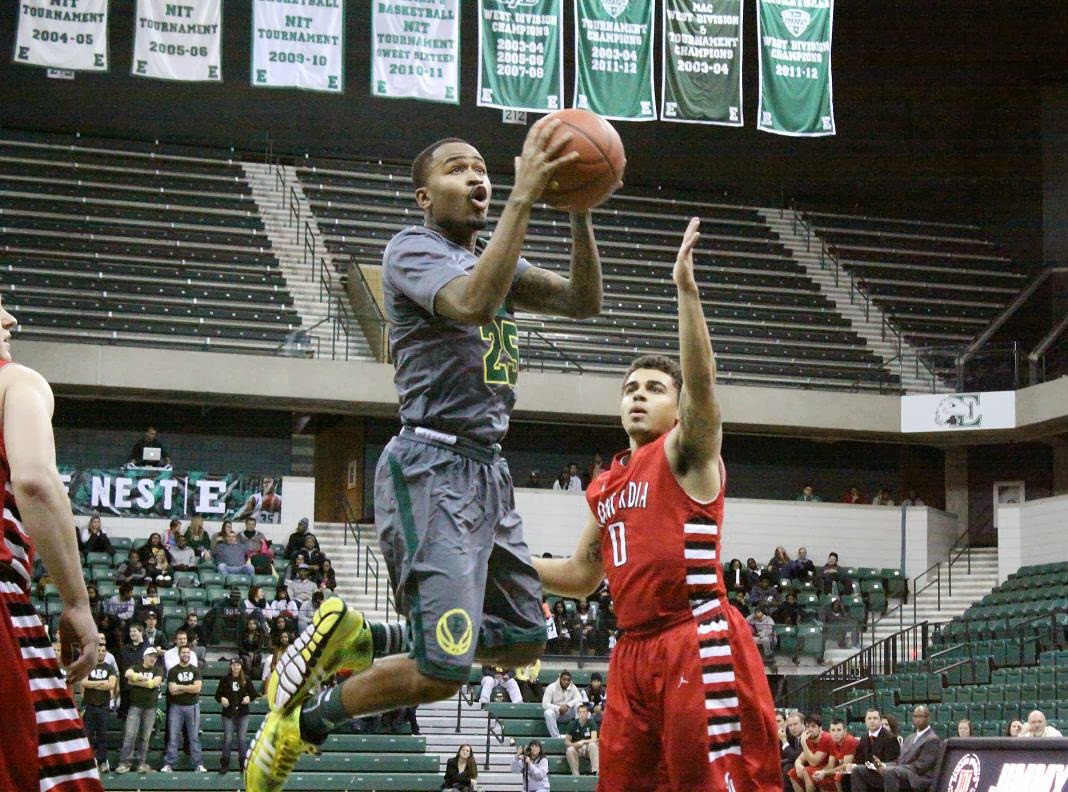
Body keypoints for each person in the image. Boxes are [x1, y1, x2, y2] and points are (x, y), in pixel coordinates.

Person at [245, 124, 607, 791]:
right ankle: (301, 725)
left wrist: (580, 211)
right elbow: (472, 304)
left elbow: (585, 301)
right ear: (422, 195)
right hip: (431, 467)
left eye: (482, 169)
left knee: (524, 638)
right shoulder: (413, 249)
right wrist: (525, 198)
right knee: (443, 671)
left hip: (486, 472)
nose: (478, 178)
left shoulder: (496, 255)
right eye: (457, 169)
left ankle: (360, 636)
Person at [529, 219, 782, 790]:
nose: (638, 394)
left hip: (696, 637)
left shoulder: (687, 454)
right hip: (632, 651)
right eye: (629, 389)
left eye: (653, 388)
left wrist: (686, 293)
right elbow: (578, 576)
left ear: (677, 408)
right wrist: (502, 561)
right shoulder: (607, 482)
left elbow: (704, 389)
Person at [849, 705, 941, 792]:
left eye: (921, 716)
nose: (917, 719)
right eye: (915, 716)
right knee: (858, 770)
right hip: (899, 773)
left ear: (928, 718)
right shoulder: (910, 737)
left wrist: (891, 769)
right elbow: (899, 760)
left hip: (917, 778)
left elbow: (920, 767)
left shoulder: (932, 739)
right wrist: (883, 765)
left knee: (890, 772)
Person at [115, 646, 164, 774]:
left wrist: (136, 681)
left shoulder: (158, 669)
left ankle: (140, 763)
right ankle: (124, 763)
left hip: (150, 708)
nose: (153, 659)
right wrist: (146, 680)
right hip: (135, 706)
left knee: (145, 738)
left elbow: (155, 683)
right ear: (145, 657)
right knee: (130, 735)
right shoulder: (136, 666)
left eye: (155, 657)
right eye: (151, 656)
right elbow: (127, 674)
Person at [162, 644, 206, 773]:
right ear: (179, 654)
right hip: (176, 707)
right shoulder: (173, 671)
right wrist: (189, 688)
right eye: (183, 652)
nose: (186, 654)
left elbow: (197, 689)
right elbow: (172, 690)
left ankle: (198, 764)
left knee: (193, 737)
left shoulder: (195, 670)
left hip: (192, 707)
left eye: (188, 652)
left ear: (190, 654)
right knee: (173, 737)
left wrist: (180, 687)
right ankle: (169, 764)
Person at [80, 636, 119, 772]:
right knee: (88, 735)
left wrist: (93, 684)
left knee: (103, 735)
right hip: (90, 706)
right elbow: (83, 682)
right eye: (99, 650)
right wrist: (101, 683)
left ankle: (102, 761)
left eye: (103, 650)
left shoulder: (110, 668)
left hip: (103, 706)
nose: (101, 652)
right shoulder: (88, 666)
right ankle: (89, 760)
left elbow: (111, 685)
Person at [217, 658, 258, 774]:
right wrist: (222, 699)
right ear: (231, 666)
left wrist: (249, 698)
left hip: (243, 713)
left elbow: (254, 693)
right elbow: (217, 695)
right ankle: (225, 764)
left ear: (241, 666)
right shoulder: (225, 680)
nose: (236, 667)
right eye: (234, 665)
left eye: (238, 665)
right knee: (228, 739)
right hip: (228, 714)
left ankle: (243, 765)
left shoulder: (246, 679)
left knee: (241, 740)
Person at [541, 670, 584, 738]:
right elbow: (545, 704)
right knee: (548, 713)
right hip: (556, 714)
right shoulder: (551, 687)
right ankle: (556, 737)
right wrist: (558, 708)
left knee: (579, 706)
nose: (566, 682)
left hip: (568, 713)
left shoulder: (573, 687)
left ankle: (578, 734)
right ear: (560, 679)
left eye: (568, 680)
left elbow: (580, 698)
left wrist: (567, 705)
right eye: (564, 679)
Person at [564, 702, 599, 776]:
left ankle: (595, 771)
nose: (582, 714)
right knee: (570, 750)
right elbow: (567, 741)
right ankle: (576, 775)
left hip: (587, 748)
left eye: (584, 712)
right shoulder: (572, 724)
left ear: (587, 713)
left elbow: (594, 739)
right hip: (577, 748)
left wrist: (583, 741)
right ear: (578, 713)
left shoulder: (591, 723)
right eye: (580, 712)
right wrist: (573, 744)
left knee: (593, 745)